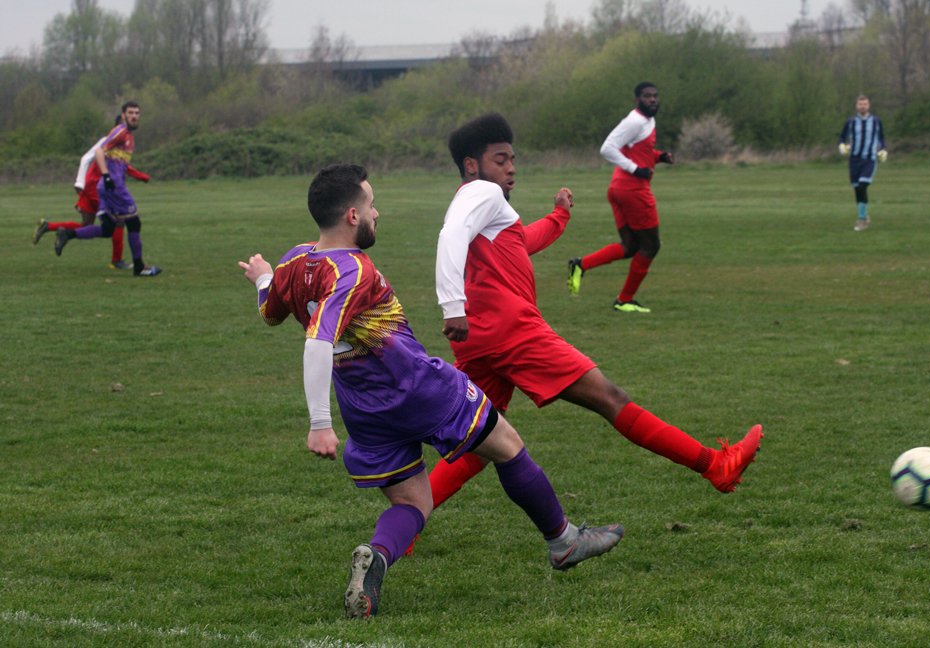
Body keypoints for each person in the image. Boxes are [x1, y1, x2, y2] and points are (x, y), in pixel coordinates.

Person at [238, 164, 623, 619]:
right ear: (352, 216)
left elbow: (271, 313)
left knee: (413, 502)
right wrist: (319, 424)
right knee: (507, 445)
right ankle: (564, 541)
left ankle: (378, 556)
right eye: (371, 205)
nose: (377, 212)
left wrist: (263, 278)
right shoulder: (352, 271)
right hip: (416, 387)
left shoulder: (294, 261)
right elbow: (318, 341)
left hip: (363, 407)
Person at [428, 113, 762, 522]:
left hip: (480, 337)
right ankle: (716, 465)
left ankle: (404, 525)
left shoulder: (484, 207)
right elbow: (451, 234)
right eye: (500, 160)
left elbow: (521, 241)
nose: (511, 168)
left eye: (513, 159)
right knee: (610, 398)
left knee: (483, 442)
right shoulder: (482, 192)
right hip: (510, 330)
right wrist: (452, 306)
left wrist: (559, 215)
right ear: (471, 165)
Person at [566, 81, 675, 313]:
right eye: (647, 96)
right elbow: (607, 148)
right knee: (651, 246)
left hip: (619, 189)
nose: (652, 100)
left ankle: (581, 265)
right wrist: (635, 169)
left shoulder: (648, 121)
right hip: (633, 191)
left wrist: (658, 157)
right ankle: (624, 300)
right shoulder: (634, 121)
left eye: (655, 96)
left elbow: (638, 151)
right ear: (637, 100)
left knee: (631, 246)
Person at [54, 101, 162, 277]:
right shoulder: (121, 131)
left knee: (108, 229)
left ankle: (67, 234)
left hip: (105, 188)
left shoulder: (129, 136)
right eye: (131, 113)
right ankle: (140, 267)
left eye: (137, 113)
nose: (134, 116)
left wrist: (138, 176)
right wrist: (106, 175)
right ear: (123, 115)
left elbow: (120, 164)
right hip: (114, 187)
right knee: (134, 223)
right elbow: (99, 151)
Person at [33, 116, 150, 270]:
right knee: (119, 221)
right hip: (96, 187)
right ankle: (117, 260)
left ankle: (51, 227)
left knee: (88, 224)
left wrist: (140, 176)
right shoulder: (107, 141)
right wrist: (79, 183)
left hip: (94, 186)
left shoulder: (120, 144)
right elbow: (86, 158)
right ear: (116, 127)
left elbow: (123, 166)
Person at [838, 94, 887, 231]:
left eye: (865, 104)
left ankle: (861, 220)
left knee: (862, 186)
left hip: (869, 159)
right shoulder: (851, 121)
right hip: (854, 160)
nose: (863, 106)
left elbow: (881, 138)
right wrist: (842, 146)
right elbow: (842, 137)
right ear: (856, 106)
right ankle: (864, 215)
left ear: (869, 105)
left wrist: (883, 150)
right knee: (857, 189)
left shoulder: (876, 121)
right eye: (860, 104)